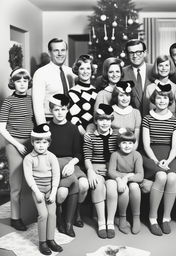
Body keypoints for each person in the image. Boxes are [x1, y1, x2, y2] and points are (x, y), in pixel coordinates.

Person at [48, 94, 89, 237]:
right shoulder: (47, 128)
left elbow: (78, 153)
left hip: (70, 163)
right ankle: (63, 219)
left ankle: (74, 214)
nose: (60, 112)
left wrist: (72, 163)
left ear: (68, 110)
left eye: (63, 109)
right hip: (54, 164)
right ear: (51, 110)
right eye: (56, 109)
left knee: (84, 183)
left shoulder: (73, 128)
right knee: (64, 190)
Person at [142, 85, 176, 236]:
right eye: (159, 97)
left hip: (169, 157)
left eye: (165, 97)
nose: (162, 100)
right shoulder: (148, 118)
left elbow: (174, 147)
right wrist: (156, 161)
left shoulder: (174, 120)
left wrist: (168, 161)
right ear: (154, 99)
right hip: (151, 155)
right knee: (161, 176)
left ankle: (166, 217)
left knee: (172, 177)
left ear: (170, 100)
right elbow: (146, 144)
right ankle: (152, 218)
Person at [0, 68, 34, 231]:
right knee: (16, 183)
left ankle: (29, 213)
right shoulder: (8, 101)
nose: (22, 84)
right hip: (14, 145)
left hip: (31, 143)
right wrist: (17, 144)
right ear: (13, 83)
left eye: (25, 81)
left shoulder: (31, 99)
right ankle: (15, 218)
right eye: (18, 81)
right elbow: (1, 128)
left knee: (31, 181)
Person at [23, 124, 63, 255]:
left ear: (48, 143)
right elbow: (29, 177)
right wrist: (37, 191)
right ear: (32, 142)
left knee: (52, 214)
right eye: (38, 142)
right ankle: (42, 242)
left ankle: (51, 239)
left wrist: (53, 192)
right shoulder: (29, 158)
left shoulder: (51, 157)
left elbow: (56, 175)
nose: (41, 145)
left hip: (50, 190)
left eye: (44, 142)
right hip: (38, 190)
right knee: (43, 215)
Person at [83, 104, 118, 239]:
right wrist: (90, 171)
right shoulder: (90, 136)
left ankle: (110, 222)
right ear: (96, 121)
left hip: (113, 169)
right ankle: (101, 222)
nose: (105, 123)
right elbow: (87, 157)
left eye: (108, 119)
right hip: (97, 168)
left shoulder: (116, 135)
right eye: (101, 119)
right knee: (97, 185)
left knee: (112, 187)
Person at [108, 129, 144, 234]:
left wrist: (127, 178)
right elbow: (111, 171)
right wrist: (123, 178)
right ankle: (122, 218)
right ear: (119, 144)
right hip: (120, 181)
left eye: (130, 143)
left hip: (132, 180)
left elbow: (140, 176)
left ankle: (136, 218)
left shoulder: (137, 155)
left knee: (134, 187)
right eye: (124, 143)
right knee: (124, 189)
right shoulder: (115, 154)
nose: (127, 146)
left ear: (133, 144)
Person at [32, 38, 75, 125]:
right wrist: (43, 128)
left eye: (63, 50)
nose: (60, 54)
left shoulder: (71, 72)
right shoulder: (41, 73)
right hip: (49, 121)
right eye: (56, 50)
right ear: (49, 53)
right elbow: (37, 105)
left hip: (70, 120)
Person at [68, 54, 98, 135]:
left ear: (92, 70)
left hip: (94, 133)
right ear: (77, 70)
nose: (85, 72)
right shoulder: (73, 92)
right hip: (79, 134)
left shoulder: (95, 91)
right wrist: (86, 135)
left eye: (88, 68)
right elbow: (74, 118)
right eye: (82, 68)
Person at [123, 39, 153, 116]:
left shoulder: (154, 70)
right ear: (127, 55)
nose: (135, 56)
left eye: (138, 52)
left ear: (145, 53)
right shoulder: (122, 73)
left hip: (153, 119)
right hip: (131, 119)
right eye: (131, 53)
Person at [111, 80, 141, 150]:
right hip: (111, 149)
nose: (125, 99)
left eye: (127, 95)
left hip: (129, 150)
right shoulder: (110, 111)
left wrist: (131, 153)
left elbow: (136, 139)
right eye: (121, 95)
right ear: (116, 97)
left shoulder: (136, 113)